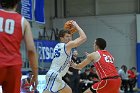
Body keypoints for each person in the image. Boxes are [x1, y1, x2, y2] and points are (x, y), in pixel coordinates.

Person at [0, 0, 38, 93]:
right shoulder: (23, 22)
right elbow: (31, 50)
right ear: (18, 3)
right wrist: (35, 74)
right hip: (13, 66)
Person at [43, 20, 87, 93]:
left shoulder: (59, 45)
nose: (69, 38)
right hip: (54, 75)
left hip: (58, 76)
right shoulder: (67, 46)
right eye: (67, 36)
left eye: (70, 36)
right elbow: (83, 38)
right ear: (61, 38)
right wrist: (76, 25)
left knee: (68, 91)